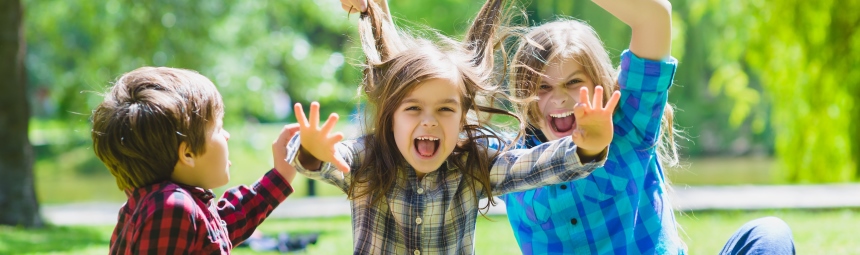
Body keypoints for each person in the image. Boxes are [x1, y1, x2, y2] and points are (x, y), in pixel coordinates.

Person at [342, 0, 796, 254]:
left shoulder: (631, 125)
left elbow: (655, 14)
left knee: (768, 236)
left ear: (598, 83)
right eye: (541, 87)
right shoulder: (508, 158)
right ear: (524, 97)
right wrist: (374, 14)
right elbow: (425, 102)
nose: (558, 99)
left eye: (573, 83)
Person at [284, 0, 619, 254]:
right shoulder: (367, 158)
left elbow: (536, 165)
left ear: (461, 118)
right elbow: (326, 160)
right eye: (413, 108)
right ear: (391, 116)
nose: (429, 120)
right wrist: (311, 151)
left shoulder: (474, 164)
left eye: (445, 109)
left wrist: (587, 147)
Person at [91, 67, 301, 254]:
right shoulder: (172, 207)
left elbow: (226, 226)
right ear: (188, 154)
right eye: (218, 129)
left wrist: (282, 172)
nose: (227, 135)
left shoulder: (166, 204)